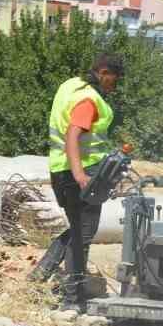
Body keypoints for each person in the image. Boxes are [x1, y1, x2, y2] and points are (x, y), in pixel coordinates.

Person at [44, 54, 123, 312]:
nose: (116, 84)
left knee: (77, 231)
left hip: (60, 169)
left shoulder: (71, 86)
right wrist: (80, 174)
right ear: (103, 71)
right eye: (115, 77)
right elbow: (73, 135)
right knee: (82, 237)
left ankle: (39, 275)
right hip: (81, 175)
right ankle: (72, 301)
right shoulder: (89, 99)